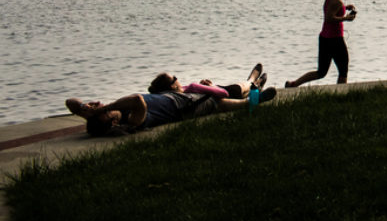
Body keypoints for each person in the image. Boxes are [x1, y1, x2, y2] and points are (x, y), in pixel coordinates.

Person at [65, 82, 277, 136]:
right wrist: (104, 108)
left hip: (178, 96)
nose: (103, 108)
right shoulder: (133, 121)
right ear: (112, 122)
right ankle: (250, 103)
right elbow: (138, 100)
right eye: (104, 113)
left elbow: (70, 102)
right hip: (184, 108)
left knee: (218, 94)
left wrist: (86, 109)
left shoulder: (115, 111)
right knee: (215, 104)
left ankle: (249, 92)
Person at [286, 0, 357, 88]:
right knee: (343, 68)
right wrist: (346, 18)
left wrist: (345, 8)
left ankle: (293, 84)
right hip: (334, 39)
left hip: (325, 39)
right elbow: (329, 18)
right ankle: (340, 94)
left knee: (321, 72)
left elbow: (332, 11)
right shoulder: (336, 1)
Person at [147, 62, 268, 99]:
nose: (177, 78)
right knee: (241, 86)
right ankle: (253, 80)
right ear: (173, 86)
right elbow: (223, 93)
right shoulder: (192, 87)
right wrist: (211, 86)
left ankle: (257, 86)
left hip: (218, 95)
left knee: (244, 92)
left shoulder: (178, 96)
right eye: (174, 78)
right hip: (226, 93)